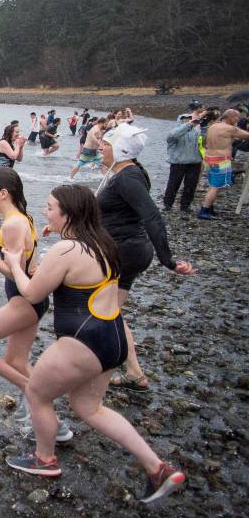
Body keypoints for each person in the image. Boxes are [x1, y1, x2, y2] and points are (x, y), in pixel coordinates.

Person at [2, 184, 186, 504]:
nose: (45, 212)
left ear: (69, 214)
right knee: (90, 407)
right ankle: (157, 468)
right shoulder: (103, 243)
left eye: (50, 207)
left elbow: (32, 294)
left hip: (82, 341)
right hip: (113, 338)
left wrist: (15, 263)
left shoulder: (66, 250)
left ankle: (44, 459)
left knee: (37, 393)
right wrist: (59, 237)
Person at [0, 168, 71, 441]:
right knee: (16, 361)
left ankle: (32, 395)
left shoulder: (11, 225)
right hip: (34, 300)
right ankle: (57, 426)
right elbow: (26, 264)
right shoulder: (23, 217)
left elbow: (14, 273)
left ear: (3, 193)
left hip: (23, 301)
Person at [94, 123, 194, 392]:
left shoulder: (128, 178)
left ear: (120, 149)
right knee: (110, 311)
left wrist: (168, 260)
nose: (100, 147)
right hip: (127, 250)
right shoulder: (126, 172)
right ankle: (133, 373)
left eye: (105, 143)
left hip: (124, 252)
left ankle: (103, 365)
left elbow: (152, 216)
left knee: (104, 310)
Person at [200, 109, 249, 219]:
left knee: (213, 185)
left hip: (209, 158)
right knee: (216, 187)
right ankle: (204, 211)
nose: (238, 119)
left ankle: (210, 208)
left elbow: (227, 139)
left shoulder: (213, 126)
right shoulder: (230, 128)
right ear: (231, 117)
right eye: (237, 117)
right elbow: (246, 136)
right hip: (220, 160)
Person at [162, 114, 204, 213]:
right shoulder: (174, 132)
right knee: (173, 185)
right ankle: (168, 205)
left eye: (190, 119)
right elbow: (172, 136)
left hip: (194, 162)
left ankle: (185, 206)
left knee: (191, 185)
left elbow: (203, 143)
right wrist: (188, 125)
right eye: (185, 120)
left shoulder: (197, 132)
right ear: (180, 121)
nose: (188, 121)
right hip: (178, 163)